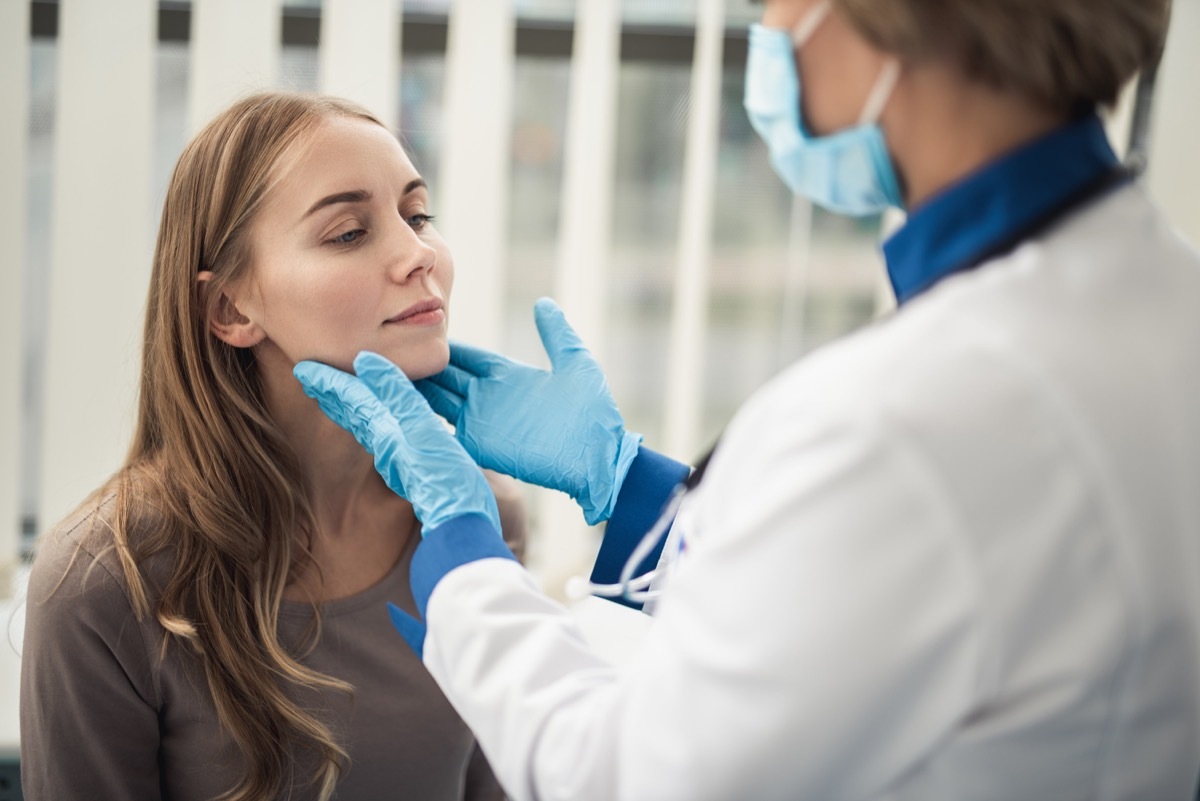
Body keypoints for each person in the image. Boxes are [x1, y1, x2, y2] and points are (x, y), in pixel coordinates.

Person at [300, 0, 1199, 797]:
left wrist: (464, 560)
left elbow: (629, 776)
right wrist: (634, 494)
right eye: (346, 229)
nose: (769, 29)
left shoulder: (898, 425)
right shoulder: (1162, 300)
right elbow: (847, 628)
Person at [20, 91, 526, 801]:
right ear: (231, 308)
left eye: (417, 215)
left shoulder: (478, 523)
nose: (419, 255)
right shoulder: (102, 582)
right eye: (349, 232)